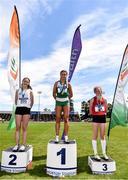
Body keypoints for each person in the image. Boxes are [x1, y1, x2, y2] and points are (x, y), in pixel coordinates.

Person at [13, 77, 34, 152]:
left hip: (26, 109)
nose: (25, 82)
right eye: (24, 81)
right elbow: (16, 101)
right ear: (22, 82)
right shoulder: (18, 90)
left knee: (24, 128)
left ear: (29, 83)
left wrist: (28, 108)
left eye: (27, 81)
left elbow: (32, 101)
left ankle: (23, 145)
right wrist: (20, 105)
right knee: (17, 127)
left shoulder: (30, 91)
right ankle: (16, 145)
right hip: (19, 108)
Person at [53, 70, 73, 143]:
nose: (63, 75)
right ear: (60, 75)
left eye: (65, 74)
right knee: (57, 118)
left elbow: (71, 94)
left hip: (66, 102)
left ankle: (66, 137)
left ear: (66, 75)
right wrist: (58, 99)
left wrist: (66, 99)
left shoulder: (68, 84)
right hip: (58, 102)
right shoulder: (56, 83)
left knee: (66, 119)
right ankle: (57, 137)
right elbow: (54, 93)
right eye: (62, 74)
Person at [89, 86, 108, 160]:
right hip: (96, 118)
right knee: (95, 135)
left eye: (100, 90)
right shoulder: (92, 99)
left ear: (101, 91)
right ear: (95, 92)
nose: (98, 92)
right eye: (97, 91)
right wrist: (95, 112)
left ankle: (104, 153)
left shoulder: (105, 100)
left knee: (102, 136)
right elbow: (90, 110)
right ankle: (96, 154)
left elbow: (106, 109)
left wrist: (102, 112)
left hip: (103, 118)